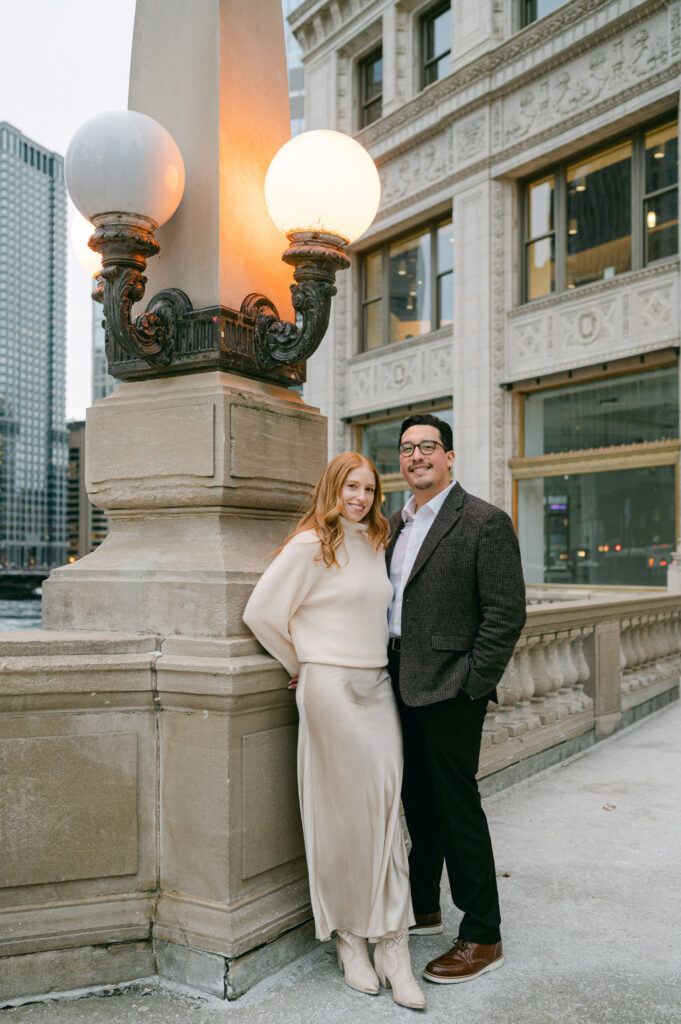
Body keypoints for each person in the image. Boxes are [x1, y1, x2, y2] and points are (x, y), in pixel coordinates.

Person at [243, 452, 426, 1010]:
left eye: (369, 489)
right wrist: (303, 666)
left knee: (386, 808)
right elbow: (260, 613)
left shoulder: (376, 541)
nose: (361, 497)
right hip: (330, 689)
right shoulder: (308, 546)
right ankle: (351, 938)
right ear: (332, 487)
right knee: (344, 817)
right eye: (351, 486)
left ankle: (394, 945)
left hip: (376, 688)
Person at [386, 413, 526, 986]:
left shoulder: (484, 522)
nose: (416, 456)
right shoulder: (394, 523)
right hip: (394, 680)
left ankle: (483, 934)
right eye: (406, 448)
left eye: (427, 447)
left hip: (451, 687)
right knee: (416, 801)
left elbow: (505, 613)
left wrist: (472, 685)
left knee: (456, 806)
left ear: (448, 457)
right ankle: (424, 905)